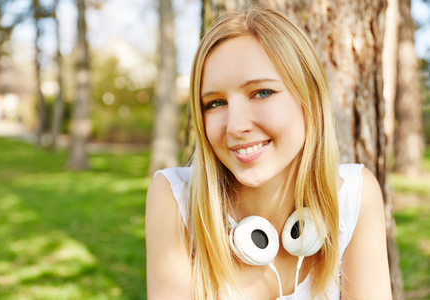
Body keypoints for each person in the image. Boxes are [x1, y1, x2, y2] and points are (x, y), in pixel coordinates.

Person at [146, 5, 392, 300]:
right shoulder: (174, 198)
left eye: (261, 92)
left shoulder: (354, 196)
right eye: (215, 103)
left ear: (309, 102)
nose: (235, 126)